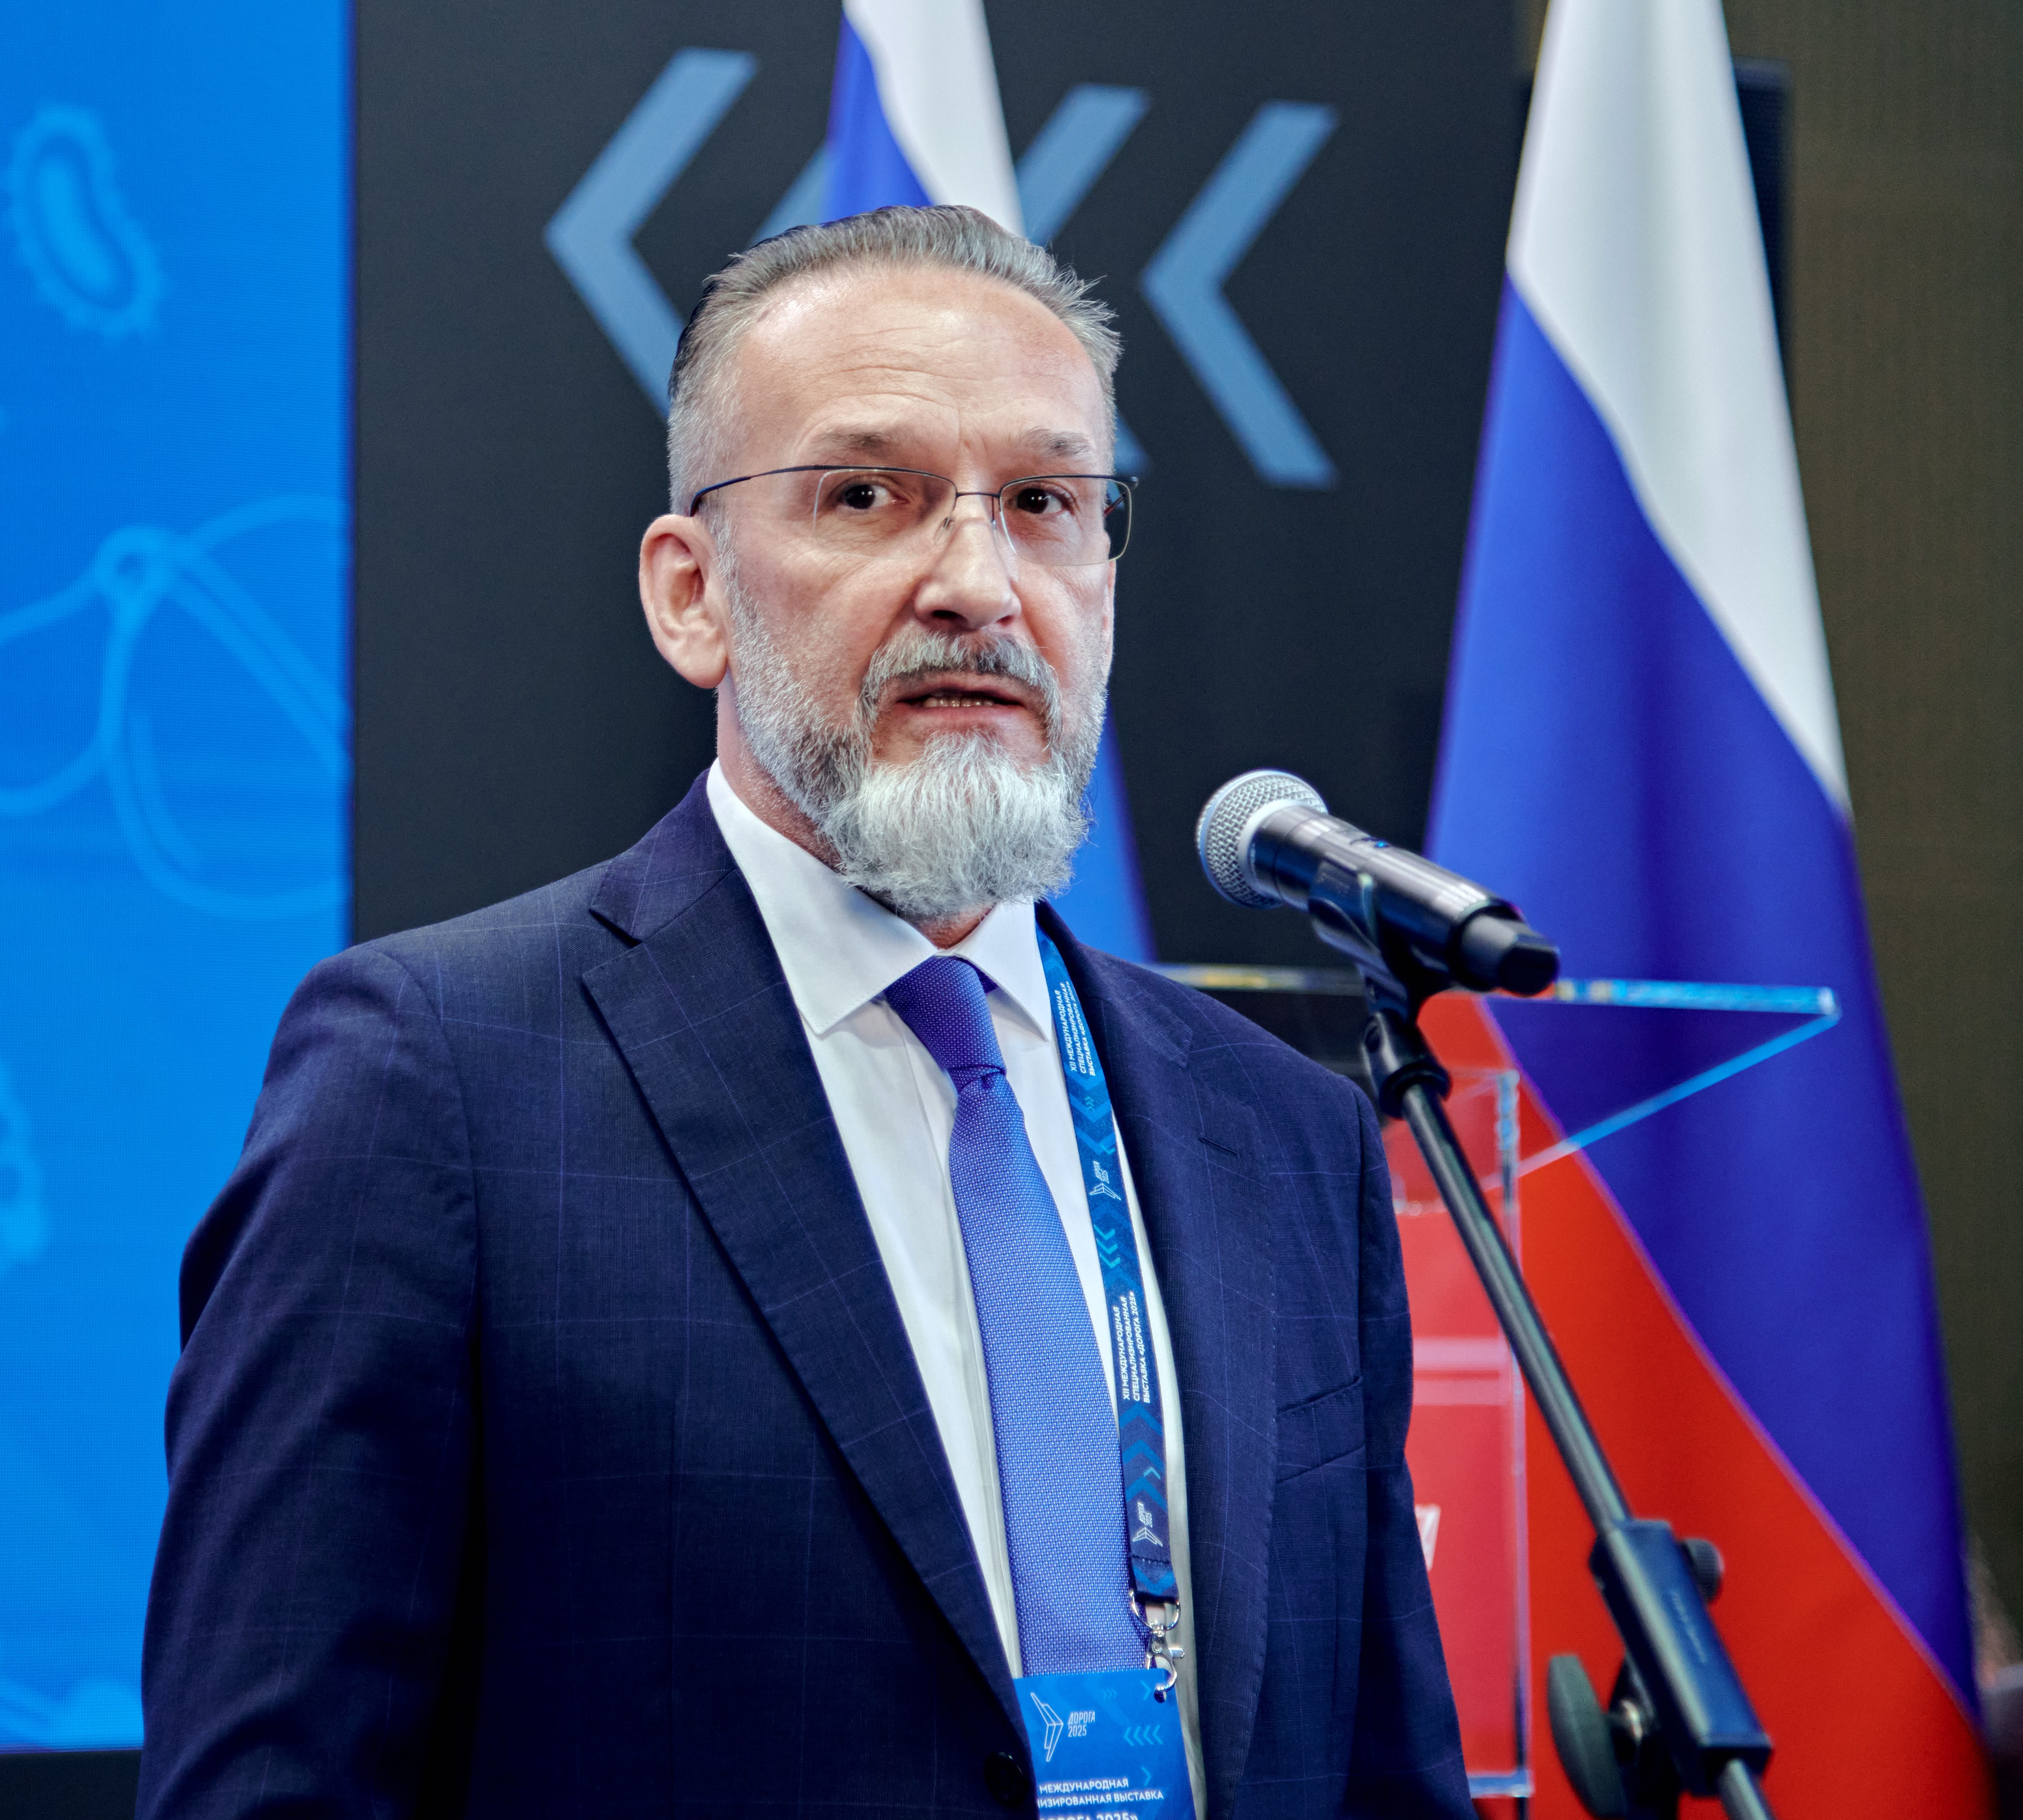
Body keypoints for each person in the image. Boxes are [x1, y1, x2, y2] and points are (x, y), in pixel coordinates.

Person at [137, 206, 1469, 1819]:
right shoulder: (436, 1081)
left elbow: (1381, 1771)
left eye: (1044, 504)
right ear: (690, 593)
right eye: (865, 496)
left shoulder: (1283, 1134)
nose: (978, 584)